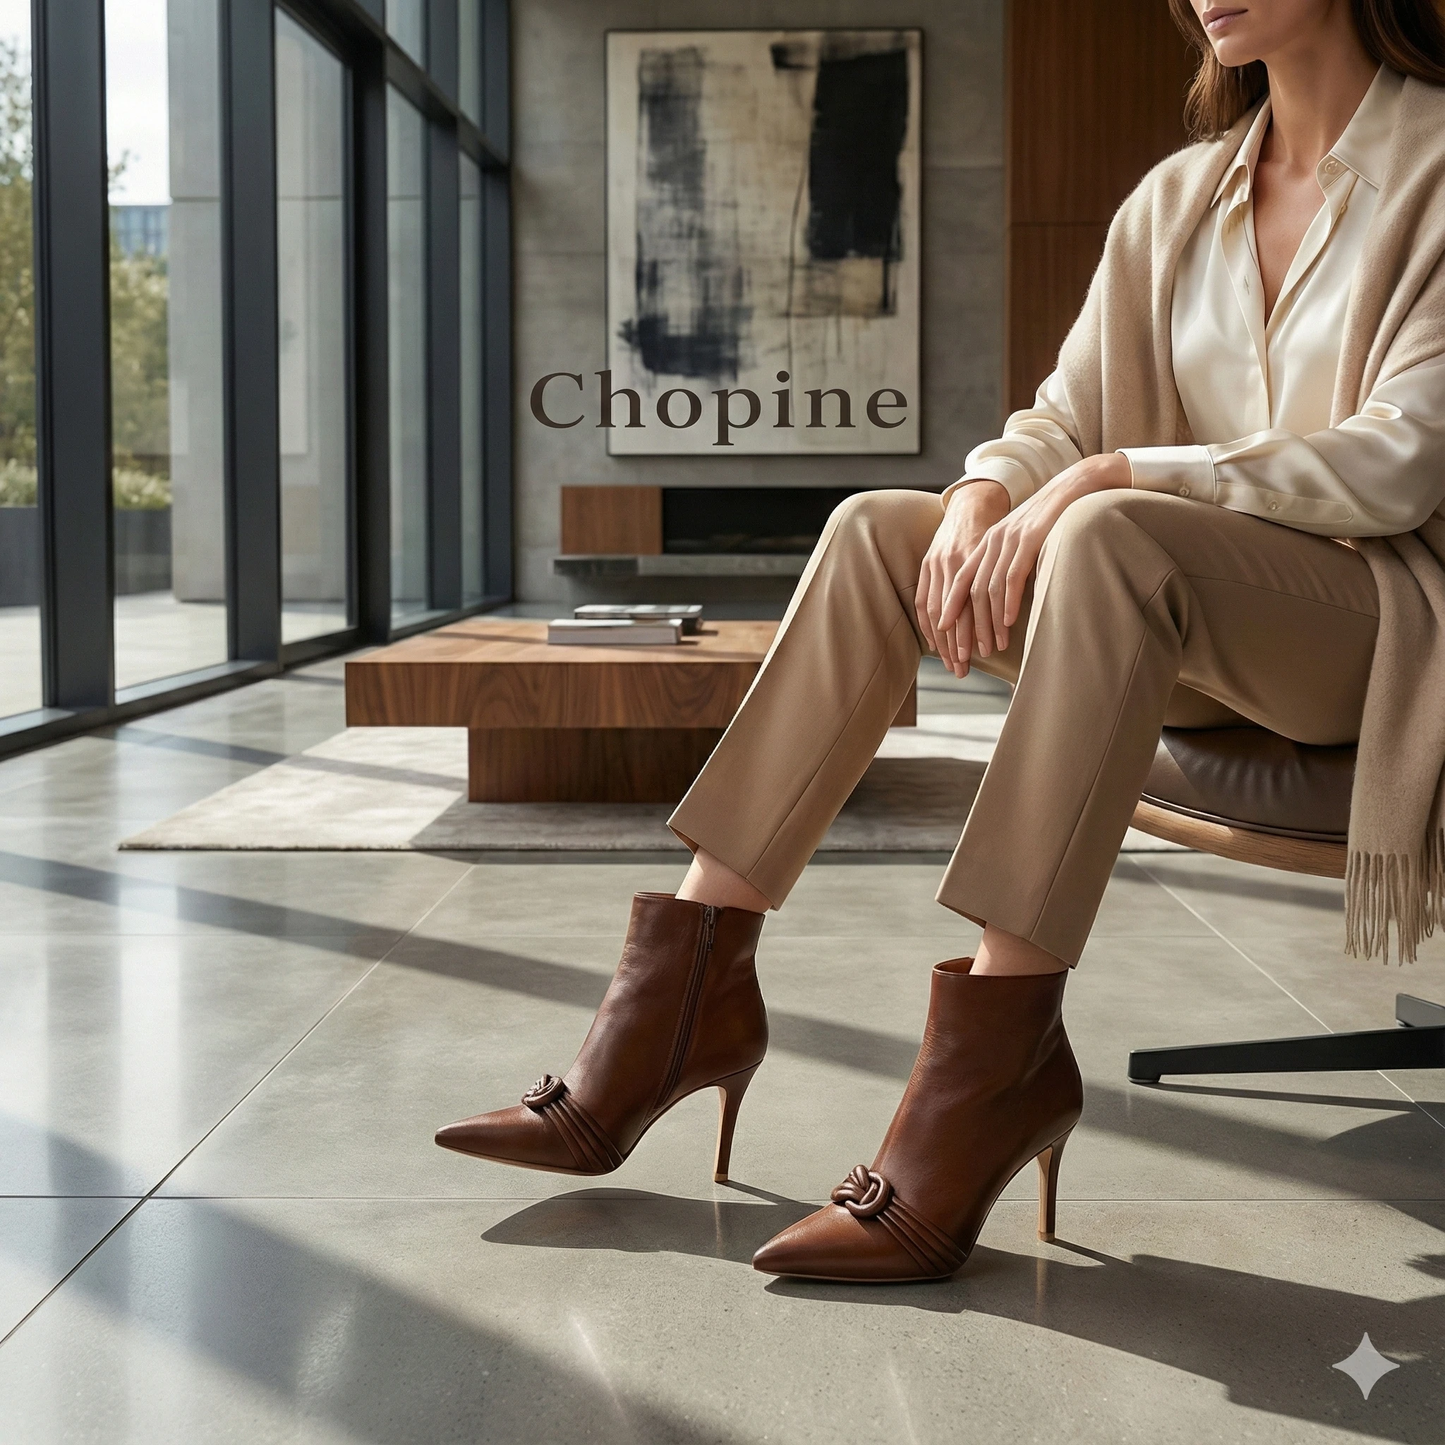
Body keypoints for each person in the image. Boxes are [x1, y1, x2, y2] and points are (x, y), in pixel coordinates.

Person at [437, 0, 1445, 1283]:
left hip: (1367, 630)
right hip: (1171, 616)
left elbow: (1398, 461)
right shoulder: (1178, 197)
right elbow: (1063, 414)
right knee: (877, 528)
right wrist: (982, 492)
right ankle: (673, 1010)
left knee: (1113, 531)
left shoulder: (1429, 167)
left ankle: (994, 1064)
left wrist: (1118, 475)